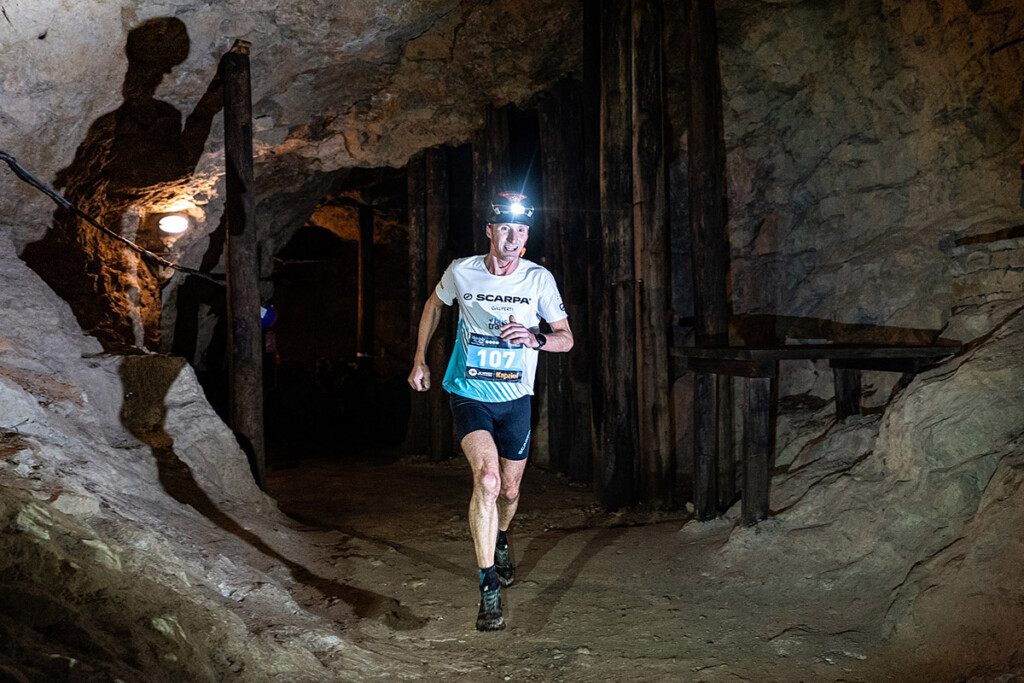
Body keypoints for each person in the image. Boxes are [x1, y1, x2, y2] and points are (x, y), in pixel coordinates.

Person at [408, 191, 573, 631]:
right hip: (469, 391)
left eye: (521, 230)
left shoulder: (539, 280)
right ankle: (488, 589)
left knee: (511, 492)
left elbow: (566, 338)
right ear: (489, 230)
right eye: (505, 229)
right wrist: (420, 358)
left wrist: (535, 339)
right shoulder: (462, 271)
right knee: (487, 480)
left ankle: (501, 539)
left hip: (516, 398)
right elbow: (433, 305)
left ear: (526, 235)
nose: (513, 237)